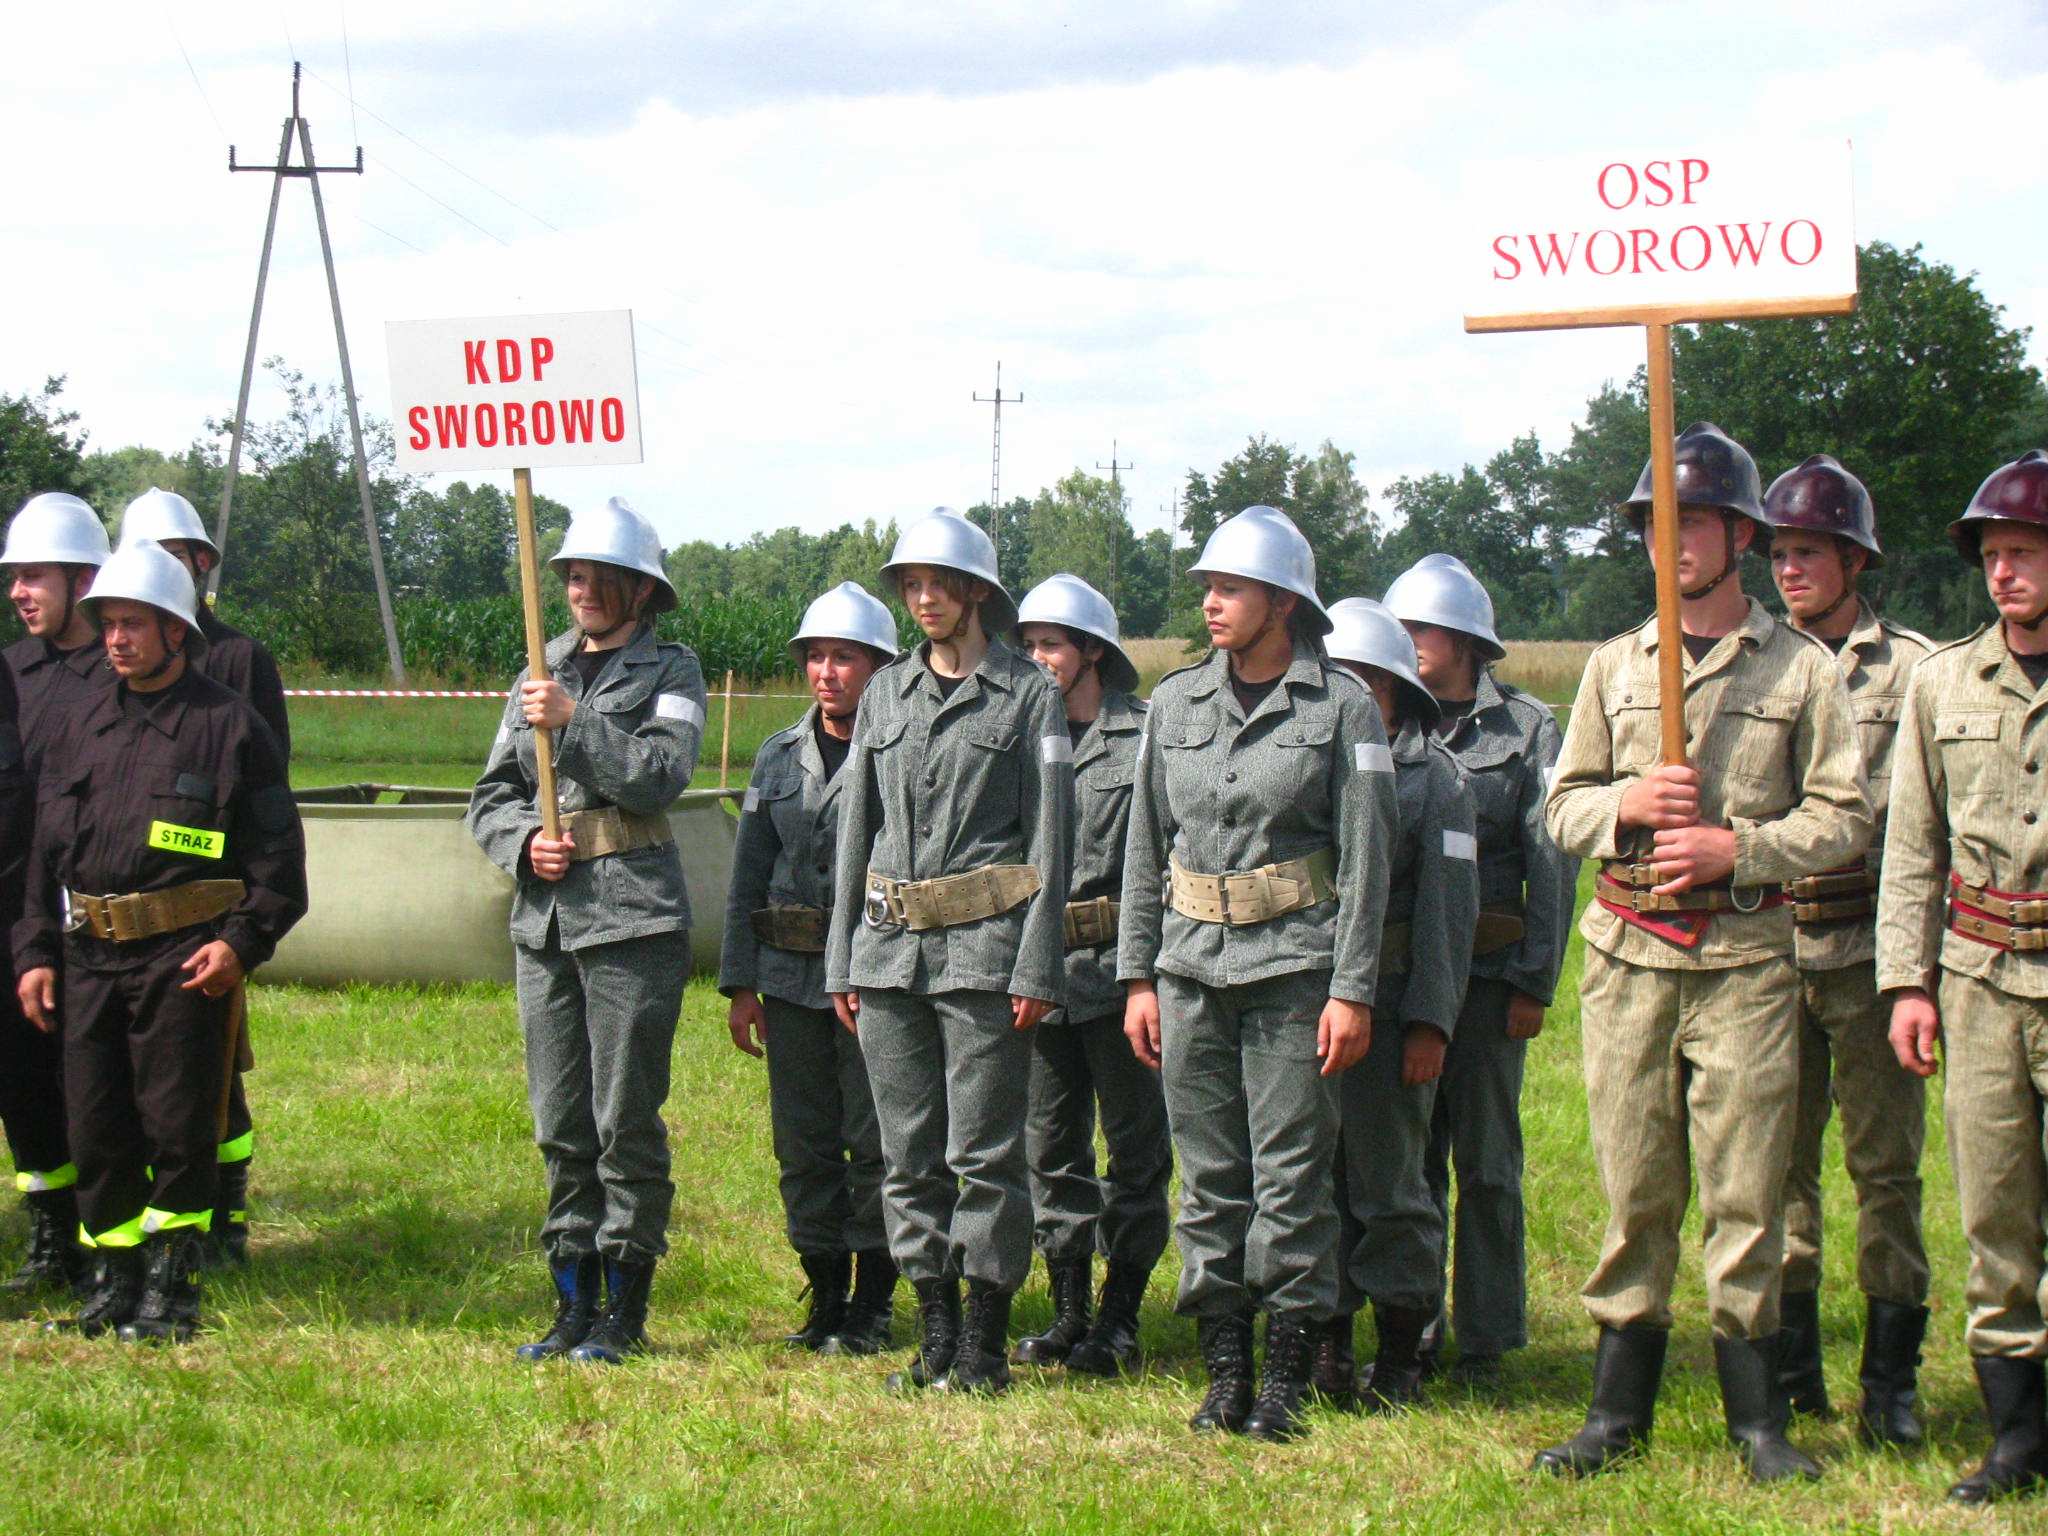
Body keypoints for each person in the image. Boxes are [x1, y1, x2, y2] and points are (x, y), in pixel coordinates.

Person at [1537, 422, 1870, 1483]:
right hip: (1629, 956)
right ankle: (1613, 1413)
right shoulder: (1607, 667)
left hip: (1742, 961)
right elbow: (1559, 809)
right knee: (1635, 1192)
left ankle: (1756, 1421)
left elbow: (1843, 816)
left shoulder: (1804, 671)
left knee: (1744, 1194)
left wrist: (1742, 846)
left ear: (1742, 536)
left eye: (1695, 522)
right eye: (1653, 524)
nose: (1670, 542)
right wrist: (1624, 803)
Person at [1119, 506, 1396, 1443]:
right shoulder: (1174, 703)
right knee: (1209, 1178)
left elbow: (1368, 862)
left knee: (1291, 1177)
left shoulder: (1344, 708)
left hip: (1294, 971)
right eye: (1206, 588)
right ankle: (1224, 1371)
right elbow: (1143, 846)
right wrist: (1138, 978)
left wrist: (1352, 989)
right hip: (1191, 968)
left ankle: (1284, 1376)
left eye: (1228, 588)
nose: (1210, 604)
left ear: (1282, 600)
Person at [13, 540, 305, 1342]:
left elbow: (279, 864)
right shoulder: (79, 722)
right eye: (107, 624)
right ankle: (110, 1284)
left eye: (134, 624)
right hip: (85, 959)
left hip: (181, 959)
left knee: (177, 1126)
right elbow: (43, 853)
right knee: (96, 1126)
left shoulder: (229, 729)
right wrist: (35, 951)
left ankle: (172, 1290)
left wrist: (242, 944)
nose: (115, 639)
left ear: (177, 631)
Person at [824, 508, 1073, 1398]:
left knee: (985, 1154)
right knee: (907, 1152)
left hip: (983, 953)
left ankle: (984, 1344)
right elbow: (857, 830)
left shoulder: (1029, 694)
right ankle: (931, 1334)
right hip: (888, 957)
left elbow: (1053, 834)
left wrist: (1038, 966)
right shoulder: (885, 693)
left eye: (939, 583)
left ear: (975, 591)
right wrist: (839, 960)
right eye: (911, 585)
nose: (924, 599)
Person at [467, 498, 705, 1365]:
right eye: (570, 573)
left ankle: (625, 1312)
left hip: (634, 923)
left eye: (598, 575)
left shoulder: (672, 674)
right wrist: (526, 845)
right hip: (548, 926)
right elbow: (488, 797)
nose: (579, 589)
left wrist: (576, 722)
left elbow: (657, 777)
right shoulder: (537, 672)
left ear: (641, 589)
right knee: (560, 1121)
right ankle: (571, 1303)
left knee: (622, 1118)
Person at [1878, 448, 2048, 1505]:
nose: (2002, 574)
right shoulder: (1941, 681)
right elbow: (1910, 846)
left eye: (2023, 552)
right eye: (1991, 556)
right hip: (1978, 979)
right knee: (1993, 1213)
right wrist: (1905, 983)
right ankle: (2014, 1440)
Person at [1762, 454, 1935, 1444]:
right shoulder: (1760, 663)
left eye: (1809, 552)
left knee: (1885, 1170)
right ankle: (1789, 1376)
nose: (1790, 570)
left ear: (1852, 560)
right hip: (1773, 943)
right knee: (1775, 1170)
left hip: (1871, 944)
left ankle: (1890, 1385)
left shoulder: (1910, 670)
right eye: (1779, 552)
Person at [1383, 553, 1576, 1386]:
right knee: (1410, 1159)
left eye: (1421, 630)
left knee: (1489, 1166)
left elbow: (1553, 859)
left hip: (1491, 978)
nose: (1409, 645)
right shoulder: (1388, 721)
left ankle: (1489, 1336)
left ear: (1464, 641)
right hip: (1406, 978)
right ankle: (1411, 1325)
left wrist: (1535, 979)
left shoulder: (1526, 729)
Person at [719, 582, 899, 1356]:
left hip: (871, 976)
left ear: (878, 667)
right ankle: (824, 1294)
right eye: (816, 657)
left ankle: (873, 1302)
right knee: (803, 1142)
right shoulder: (775, 755)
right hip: (789, 978)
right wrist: (740, 983)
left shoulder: (899, 748)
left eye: (845, 657)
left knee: (876, 1140)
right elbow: (748, 871)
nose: (827, 672)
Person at [118, 486, 291, 1263]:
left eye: (174, 557)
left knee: (218, 1062)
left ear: (201, 563)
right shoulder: (118, 663)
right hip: (137, 901)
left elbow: (259, 783)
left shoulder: (237, 659)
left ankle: (226, 1210)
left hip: (215, 899)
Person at [1317, 597, 1476, 1412]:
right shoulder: (1313, 760)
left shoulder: (1438, 779)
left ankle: (1404, 1351)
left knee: (1390, 1190)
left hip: (1391, 1009)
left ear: (1394, 692)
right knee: (1321, 1185)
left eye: (1365, 683)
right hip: (1312, 1013)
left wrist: (1429, 1023)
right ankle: (1330, 1345)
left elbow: (1449, 916)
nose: (1348, 695)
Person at [1011, 573, 1170, 1377]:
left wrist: (1147, 972)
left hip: (1120, 968)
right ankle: (1069, 1313)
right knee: (1049, 1148)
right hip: (1040, 972)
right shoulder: (1016, 737)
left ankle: (1122, 1315)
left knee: (1137, 1151)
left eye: (1051, 644)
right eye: (1028, 644)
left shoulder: (1146, 736)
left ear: (1093, 652)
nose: (1036, 658)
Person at [1, 492, 111, 1297]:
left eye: (34, 576)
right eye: (14, 578)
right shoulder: (11, 672)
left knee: (101, 1084)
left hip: (96, 919)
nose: (18, 592)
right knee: (22, 1082)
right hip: (16, 913)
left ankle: (112, 1238)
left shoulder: (119, 673)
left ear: (84, 578)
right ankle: (50, 1239)